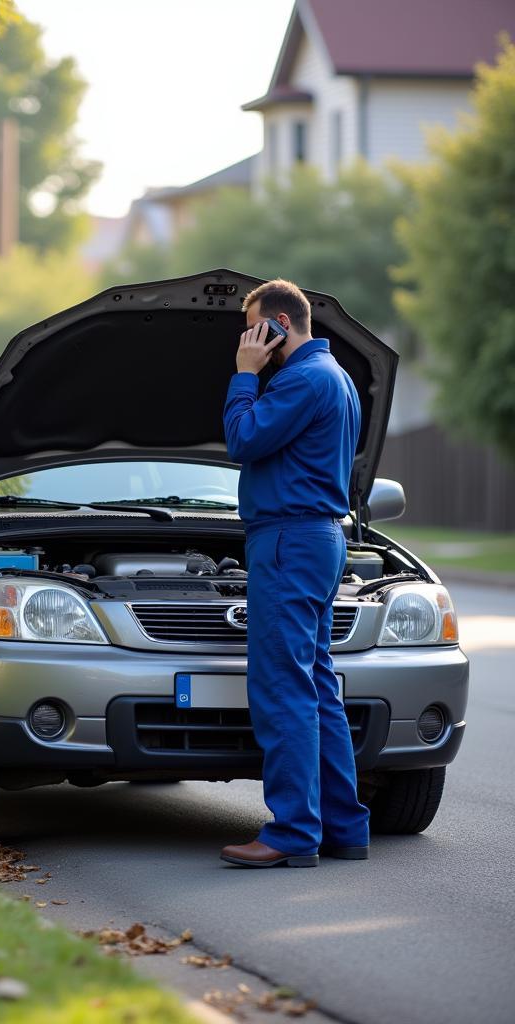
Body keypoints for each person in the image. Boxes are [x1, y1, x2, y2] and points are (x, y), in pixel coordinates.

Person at [220, 279, 370, 867]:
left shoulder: (302, 378)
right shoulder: (336, 377)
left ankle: (291, 834)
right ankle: (344, 828)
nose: (248, 339)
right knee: (317, 687)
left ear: (280, 323)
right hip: (320, 537)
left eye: (253, 328)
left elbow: (243, 438)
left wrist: (244, 373)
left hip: (288, 539)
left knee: (283, 688)